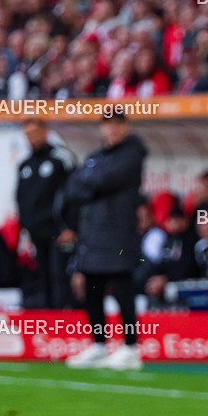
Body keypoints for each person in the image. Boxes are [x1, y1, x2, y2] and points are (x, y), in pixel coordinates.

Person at [63, 112, 148, 371]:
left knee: (122, 288)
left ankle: (131, 347)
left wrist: (88, 181)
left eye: (117, 124)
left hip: (119, 231)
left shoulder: (133, 153)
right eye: (108, 125)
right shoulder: (95, 157)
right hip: (92, 232)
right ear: (101, 128)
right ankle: (99, 344)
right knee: (92, 290)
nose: (112, 130)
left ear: (126, 127)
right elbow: (73, 187)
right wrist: (89, 182)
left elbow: (101, 180)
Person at [16, 119, 76, 308]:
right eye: (27, 134)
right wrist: (25, 227)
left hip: (59, 232)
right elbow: (20, 198)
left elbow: (74, 195)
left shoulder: (61, 159)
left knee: (60, 278)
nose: (31, 138)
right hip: (35, 233)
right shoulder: (25, 165)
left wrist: (72, 227)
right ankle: (48, 326)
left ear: (45, 132)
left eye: (34, 133)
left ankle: (64, 325)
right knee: (42, 280)